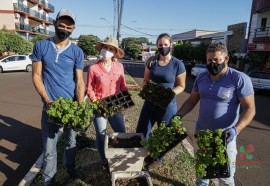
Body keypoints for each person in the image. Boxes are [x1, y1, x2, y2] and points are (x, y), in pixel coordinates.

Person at [175, 42, 256, 186]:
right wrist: (179, 115)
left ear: (226, 59)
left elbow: (250, 109)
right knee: (202, 173)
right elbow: (192, 100)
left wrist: (235, 130)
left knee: (225, 178)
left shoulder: (239, 79)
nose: (212, 64)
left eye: (216, 60)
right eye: (209, 60)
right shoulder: (201, 78)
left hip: (225, 138)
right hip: (202, 136)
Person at [31, 9, 85, 185]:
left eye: (68, 27)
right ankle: (49, 181)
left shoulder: (77, 52)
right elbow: (36, 76)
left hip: (70, 106)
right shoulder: (41, 46)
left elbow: (79, 81)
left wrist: (80, 105)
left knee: (71, 142)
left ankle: (70, 169)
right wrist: (47, 100)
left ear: (73, 29)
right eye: (61, 25)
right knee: (49, 148)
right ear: (54, 23)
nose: (64, 29)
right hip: (50, 106)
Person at [136, 33, 186, 168]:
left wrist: (169, 93)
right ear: (157, 46)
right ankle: (139, 155)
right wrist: (147, 90)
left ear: (171, 45)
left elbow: (181, 86)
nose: (163, 47)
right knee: (141, 130)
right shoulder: (151, 61)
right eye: (160, 45)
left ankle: (156, 159)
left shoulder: (178, 64)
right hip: (151, 101)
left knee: (164, 134)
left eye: (165, 44)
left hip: (167, 104)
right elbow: (145, 80)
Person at [86, 37, 128, 169]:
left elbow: (123, 86)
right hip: (100, 105)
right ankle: (104, 160)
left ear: (115, 52)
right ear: (102, 48)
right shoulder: (93, 68)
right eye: (105, 47)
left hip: (115, 104)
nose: (107, 51)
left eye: (111, 49)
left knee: (121, 132)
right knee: (101, 134)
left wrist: (124, 99)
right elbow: (89, 89)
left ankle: (119, 156)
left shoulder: (119, 67)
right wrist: (96, 102)